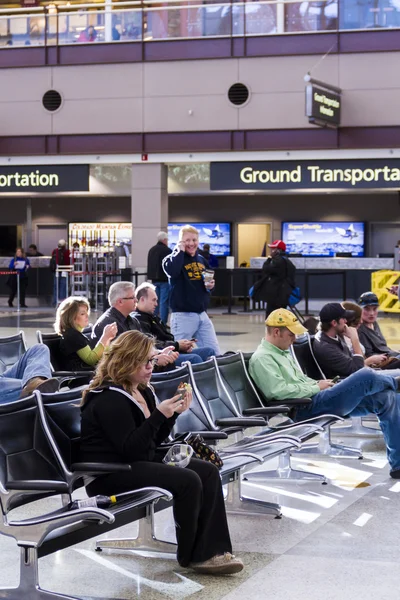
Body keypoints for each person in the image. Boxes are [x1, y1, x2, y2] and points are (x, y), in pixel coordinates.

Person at [79, 330, 243, 574]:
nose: (150, 367)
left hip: (135, 463)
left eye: (152, 361)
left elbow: (151, 442)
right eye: (144, 362)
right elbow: (132, 450)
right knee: (186, 479)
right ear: (125, 360)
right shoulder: (108, 399)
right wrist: (159, 415)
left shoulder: (142, 389)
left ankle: (212, 550)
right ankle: (192, 555)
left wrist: (172, 413)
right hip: (109, 475)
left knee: (207, 471)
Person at [249, 308, 400, 479]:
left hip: (315, 399)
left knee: (386, 398)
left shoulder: (281, 352)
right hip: (305, 408)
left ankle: (398, 466)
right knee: (365, 376)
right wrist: (316, 387)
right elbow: (278, 392)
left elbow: (299, 382)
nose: (294, 339)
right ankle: (394, 382)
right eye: (291, 335)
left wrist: (319, 384)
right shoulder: (263, 358)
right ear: (277, 332)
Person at [92, 281, 178, 371]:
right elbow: (122, 359)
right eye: (132, 297)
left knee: (169, 362)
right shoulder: (109, 324)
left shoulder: (132, 320)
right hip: (119, 374)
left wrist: (158, 353)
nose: (136, 300)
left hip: (135, 369)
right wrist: (154, 360)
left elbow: (142, 348)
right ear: (120, 301)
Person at [162, 225, 221, 356]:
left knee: (214, 353)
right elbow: (172, 271)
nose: (191, 243)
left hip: (202, 315)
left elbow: (207, 283)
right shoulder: (172, 259)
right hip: (183, 316)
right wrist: (180, 251)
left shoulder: (201, 260)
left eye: (194, 240)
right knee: (178, 354)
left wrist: (211, 286)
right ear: (180, 242)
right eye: (187, 240)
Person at [133, 282, 215, 366]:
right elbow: (151, 345)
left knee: (209, 351)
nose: (156, 304)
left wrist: (182, 346)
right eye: (153, 300)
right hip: (160, 355)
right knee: (194, 359)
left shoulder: (152, 317)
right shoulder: (138, 319)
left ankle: (213, 378)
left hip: (171, 350)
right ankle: (200, 379)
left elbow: (165, 339)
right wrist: (177, 345)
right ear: (142, 299)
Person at [312, 302, 393, 378]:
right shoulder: (326, 347)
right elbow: (358, 370)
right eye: (343, 318)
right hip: (352, 382)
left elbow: (356, 364)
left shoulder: (335, 337)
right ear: (334, 323)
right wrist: (354, 338)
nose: (346, 321)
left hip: (363, 376)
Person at [55, 297, 117, 371]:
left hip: (87, 374)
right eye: (82, 314)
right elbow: (91, 360)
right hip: (79, 378)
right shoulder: (73, 335)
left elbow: (101, 357)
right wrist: (105, 337)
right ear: (71, 317)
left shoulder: (75, 334)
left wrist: (108, 339)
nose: (87, 315)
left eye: (87, 312)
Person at [252, 240, 296, 317]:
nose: (271, 251)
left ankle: (271, 329)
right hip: (283, 294)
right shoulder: (286, 260)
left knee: (270, 317)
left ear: (278, 250)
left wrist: (269, 258)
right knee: (280, 317)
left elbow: (266, 269)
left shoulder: (278, 261)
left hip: (276, 295)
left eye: (273, 248)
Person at [357, 292, 400, 359]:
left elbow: (383, 347)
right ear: (360, 309)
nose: (371, 313)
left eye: (374, 309)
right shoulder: (360, 329)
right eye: (367, 309)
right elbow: (369, 355)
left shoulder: (374, 323)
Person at [147, 231, 172, 324]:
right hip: (164, 280)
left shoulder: (152, 250)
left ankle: (153, 321)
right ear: (165, 240)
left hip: (154, 280)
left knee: (154, 301)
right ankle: (162, 323)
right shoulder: (168, 251)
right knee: (163, 302)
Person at [50, 239, 71, 306]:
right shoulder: (67, 252)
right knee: (63, 286)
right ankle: (62, 302)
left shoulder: (54, 251)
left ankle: (55, 302)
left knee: (56, 286)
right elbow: (68, 261)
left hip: (56, 270)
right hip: (64, 271)